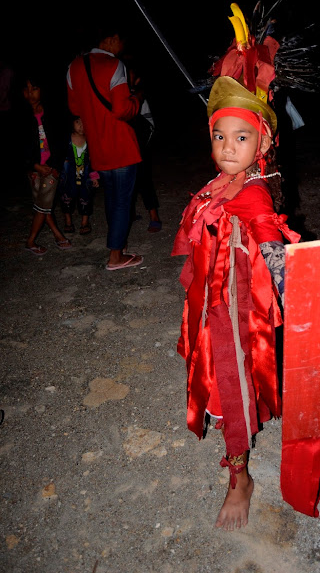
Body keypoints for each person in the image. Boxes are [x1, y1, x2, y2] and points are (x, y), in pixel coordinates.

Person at [172, 75, 301, 531]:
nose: (228, 147)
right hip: (211, 308)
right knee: (215, 380)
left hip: (236, 316)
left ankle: (239, 478)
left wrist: (298, 300)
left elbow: (276, 252)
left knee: (232, 390)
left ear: (263, 140)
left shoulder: (253, 193)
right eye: (219, 136)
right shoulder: (220, 183)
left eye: (241, 137)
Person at [67, 26, 143, 270]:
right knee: (122, 201)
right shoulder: (114, 65)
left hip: (98, 146)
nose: (122, 49)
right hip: (120, 145)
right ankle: (115, 257)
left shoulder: (73, 66)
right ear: (112, 39)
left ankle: (117, 247)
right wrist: (136, 100)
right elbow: (122, 110)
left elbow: (75, 109)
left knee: (112, 199)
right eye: (121, 43)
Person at [20, 73, 71, 255]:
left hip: (50, 168)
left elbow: (62, 141)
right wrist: (34, 166)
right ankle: (58, 236)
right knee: (43, 205)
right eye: (26, 89)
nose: (30, 93)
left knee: (43, 204)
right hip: (34, 169)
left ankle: (31, 240)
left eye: (34, 88)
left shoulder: (53, 113)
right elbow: (17, 147)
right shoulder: (20, 117)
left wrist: (55, 166)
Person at [126, 61, 162, 232]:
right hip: (121, 148)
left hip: (139, 148)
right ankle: (129, 213)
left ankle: (154, 215)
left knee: (144, 180)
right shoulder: (117, 96)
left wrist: (143, 146)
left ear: (137, 79)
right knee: (126, 183)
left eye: (130, 74)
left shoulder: (140, 98)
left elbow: (149, 124)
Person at [58, 115, 100, 234]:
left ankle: (84, 222)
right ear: (71, 123)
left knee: (86, 197)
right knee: (66, 197)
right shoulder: (66, 140)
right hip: (68, 177)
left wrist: (94, 176)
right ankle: (68, 221)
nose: (81, 125)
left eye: (84, 122)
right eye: (77, 122)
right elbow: (59, 156)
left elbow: (94, 160)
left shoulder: (90, 141)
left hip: (85, 177)